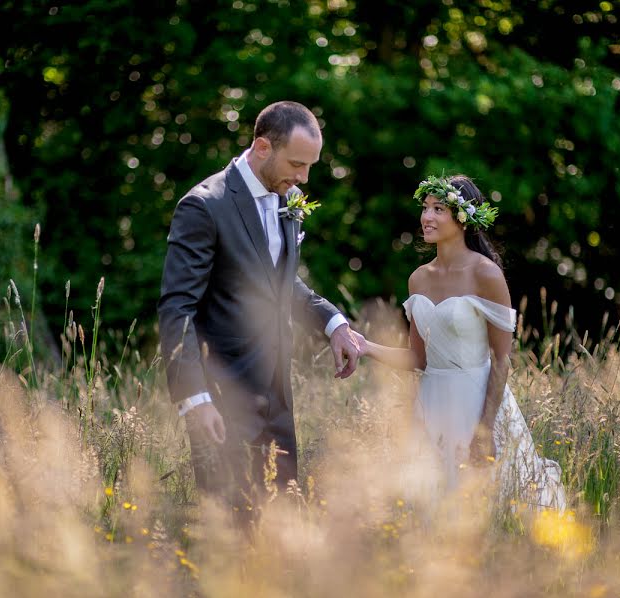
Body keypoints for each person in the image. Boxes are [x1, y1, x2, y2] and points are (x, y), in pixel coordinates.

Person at [157, 101, 362, 513]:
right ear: (263, 147)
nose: (303, 178)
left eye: (310, 167)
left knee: (283, 523)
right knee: (231, 529)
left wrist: (332, 323)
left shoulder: (290, 198)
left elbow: (279, 283)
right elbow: (177, 309)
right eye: (297, 164)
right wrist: (195, 399)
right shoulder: (204, 206)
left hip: (277, 395)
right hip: (222, 397)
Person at [357, 174, 565, 510]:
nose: (427, 217)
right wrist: (366, 346)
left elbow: (501, 361)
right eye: (425, 208)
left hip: (477, 405)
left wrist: (486, 432)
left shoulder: (486, 275)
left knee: (488, 506)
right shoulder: (418, 279)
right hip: (432, 406)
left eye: (438, 209)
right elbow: (418, 359)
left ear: (463, 217)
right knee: (431, 510)